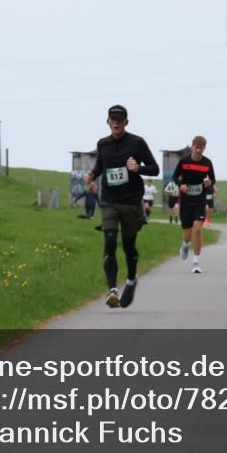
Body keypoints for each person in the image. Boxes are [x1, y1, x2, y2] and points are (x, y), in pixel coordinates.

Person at [85, 105, 158, 309]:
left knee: (128, 246)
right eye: (112, 119)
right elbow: (101, 165)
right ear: (108, 122)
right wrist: (92, 174)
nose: (116, 123)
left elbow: (154, 168)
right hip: (109, 201)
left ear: (126, 122)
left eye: (120, 119)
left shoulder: (137, 143)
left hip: (131, 202)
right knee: (109, 241)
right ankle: (112, 290)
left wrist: (138, 168)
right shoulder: (103, 144)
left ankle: (131, 280)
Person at [172, 136, 215, 274]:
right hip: (186, 201)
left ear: (204, 148)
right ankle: (185, 245)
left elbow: (212, 179)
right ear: (192, 146)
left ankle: (196, 262)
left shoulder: (207, 163)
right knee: (187, 234)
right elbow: (175, 176)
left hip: (199, 201)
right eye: (196, 147)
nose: (198, 150)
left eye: (201, 148)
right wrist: (181, 185)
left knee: (198, 229)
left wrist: (209, 183)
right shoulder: (184, 161)